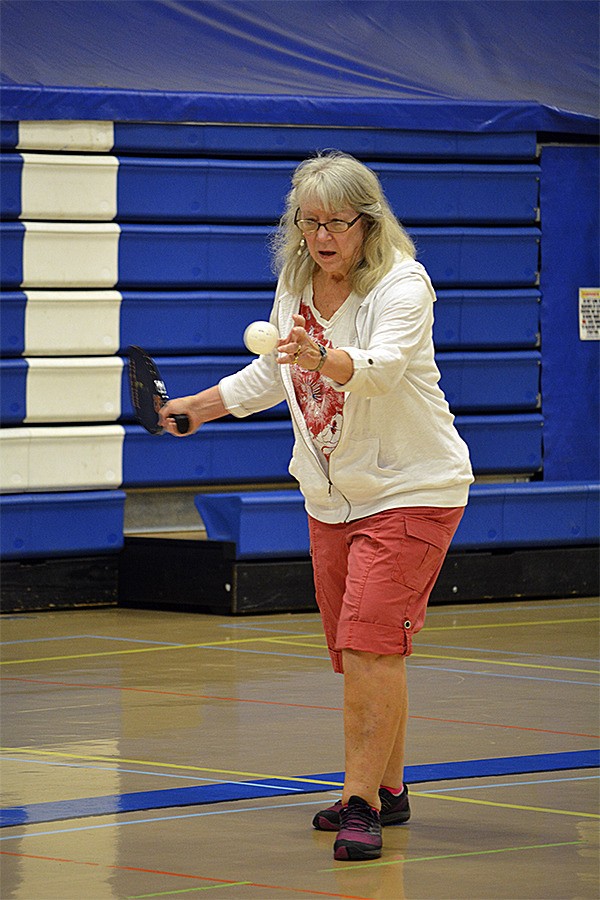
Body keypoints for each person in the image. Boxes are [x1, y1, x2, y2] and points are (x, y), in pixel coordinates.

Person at [159, 150, 474, 862]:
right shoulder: (296, 281)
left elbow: (383, 371)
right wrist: (198, 409)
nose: (322, 236)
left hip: (410, 489)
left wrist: (320, 356)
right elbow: (272, 371)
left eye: (337, 222)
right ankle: (389, 791)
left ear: (368, 222)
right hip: (331, 498)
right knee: (355, 652)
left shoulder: (403, 285)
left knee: (370, 644)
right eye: (309, 223)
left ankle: (359, 803)